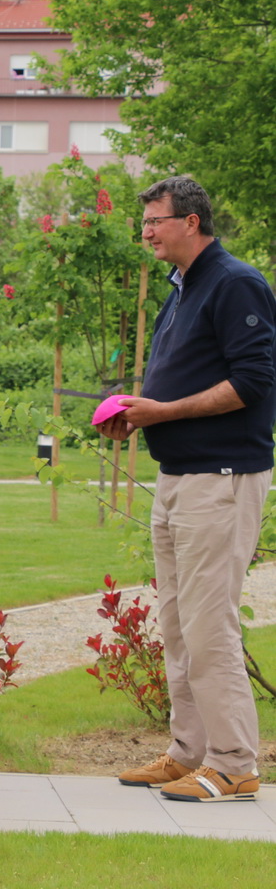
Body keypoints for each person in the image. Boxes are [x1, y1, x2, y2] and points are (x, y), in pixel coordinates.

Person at [93, 176, 274, 803]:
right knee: (175, 623)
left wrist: (162, 412)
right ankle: (189, 751)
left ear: (192, 222)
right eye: (143, 221)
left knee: (208, 625)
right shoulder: (183, 287)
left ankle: (234, 763)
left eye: (155, 220)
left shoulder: (235, 283)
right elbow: (181, 379)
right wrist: (136, 411)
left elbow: (252, 382)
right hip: (177, 478)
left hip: (221, 479)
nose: (146, 231)